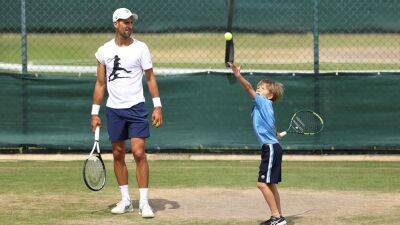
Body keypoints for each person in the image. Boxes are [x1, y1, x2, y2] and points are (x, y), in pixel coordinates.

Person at [90, 8, 163, 218]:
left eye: (131, 22)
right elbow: (100, 83)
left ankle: (144, 203)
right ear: (116, 24)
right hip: (114, 110)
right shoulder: (103, 51)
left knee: (139, 152)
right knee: (118, 154)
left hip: (137, 108)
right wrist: (95, 113)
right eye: (125, 22)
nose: (129, 26)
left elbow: (150, 78)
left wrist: (157, 106)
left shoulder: (141, 48)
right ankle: (125, 201)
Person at [228, 63, 287, 225]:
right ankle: (279, 216)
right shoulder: (264, 106)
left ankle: (276, 217)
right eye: (258, 87)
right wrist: (275, 134)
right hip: (272, 146)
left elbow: (248, 88)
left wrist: (238, 75)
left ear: (269, 96)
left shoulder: (262, 102)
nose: (258, 89)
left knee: (262, 184)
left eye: (262, 88)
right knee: (270, 184)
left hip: (271, 148)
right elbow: (271, 126)